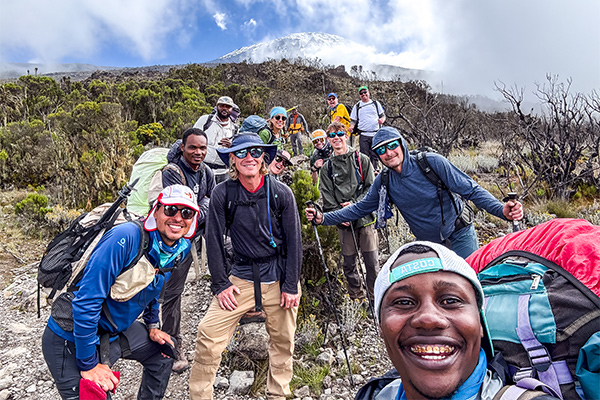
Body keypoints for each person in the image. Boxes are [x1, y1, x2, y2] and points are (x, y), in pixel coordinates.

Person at [42, 185, 199, 400]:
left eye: (187, 213)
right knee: (94, 395)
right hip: (70, 337)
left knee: (163, 354)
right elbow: (87, 301)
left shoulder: (177, 248)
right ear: (157, 211)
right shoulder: (127, 237)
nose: (178, 218)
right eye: (171, 210)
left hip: (112, 331)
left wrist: (153, 326)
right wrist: (88, 365)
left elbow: (155, 288)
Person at [354, 241, 555, 400]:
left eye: (450, 300)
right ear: (380, 326)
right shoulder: (374, 394)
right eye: (404, 302)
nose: (429, 318)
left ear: (480, 322)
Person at [188, 133, 302, 400]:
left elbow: (294, 241)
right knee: (208, 334)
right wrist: (220, 284)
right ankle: (200, 396)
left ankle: (278, 393)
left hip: (277, 276)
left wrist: (290, 285)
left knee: (283, 341)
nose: (248, 157)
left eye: (254, 151)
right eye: (241, 153)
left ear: (263, 156)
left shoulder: (281, 193)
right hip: (241, 278)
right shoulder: (223, 193)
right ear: (232, 159)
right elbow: (213, 239)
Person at [305, 127, 523, 259]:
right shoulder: (385, 180)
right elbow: (360, 209)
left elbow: (470, 189)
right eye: (381, 150)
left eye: (392, 146)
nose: (388, 153)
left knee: (471, 285)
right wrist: (323, 218)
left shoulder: (431, 163)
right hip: (429, 243)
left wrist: (501, 210)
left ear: (402, 144)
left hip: (460, 234)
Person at [159, 128, 216, 372]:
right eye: (193, 147)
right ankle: (172, 346)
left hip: (201, 237)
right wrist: (202, 204)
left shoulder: (207, 172)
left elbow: (211, 204)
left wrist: (201, 205)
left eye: (202, 148)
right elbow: (184, 214)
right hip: (174, 241)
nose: (198, 152)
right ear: (182, 147)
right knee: (171, 293)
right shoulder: (172, 173)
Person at [319, 121, 379, 300]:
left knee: (372, 262)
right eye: (332, 136)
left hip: (365, 218)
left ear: (346, 136)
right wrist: (339, 214)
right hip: (344, 224)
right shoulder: (326, 168)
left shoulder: (362, 160)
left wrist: (354, 205)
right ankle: (357, 297)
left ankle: (375, 297)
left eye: (339, 134)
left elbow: (371, 189)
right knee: (349, 263)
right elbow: (327, 196)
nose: (336, 138)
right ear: (328, 140)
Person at [193, 96, 238, 183]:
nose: (224, 109)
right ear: (217, 107)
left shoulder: (234, 129)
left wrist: (231, 146)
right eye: (222, 106)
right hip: (202, 168)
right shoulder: (205, 120)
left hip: (223, 172)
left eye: (228, 107)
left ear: (232, 109)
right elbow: (192, 139)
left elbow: (237, 151)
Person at [349, 86, 386, 170]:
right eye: (361, 93)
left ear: (368, 93)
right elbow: (353, 120)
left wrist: (382, 120)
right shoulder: (357, 106)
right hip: (363, 135)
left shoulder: (375, 103)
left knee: (375, 155)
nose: (363, 94)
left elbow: (382, 115)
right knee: (364, 156)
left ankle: (375, 171)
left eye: (365, 92)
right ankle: (366, 172)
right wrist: (351, 127)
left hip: (375, 134)